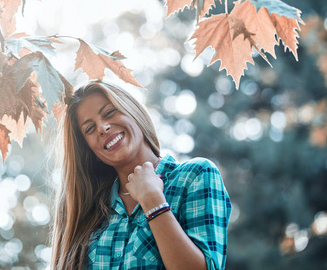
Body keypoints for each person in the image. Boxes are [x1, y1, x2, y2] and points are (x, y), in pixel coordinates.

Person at [51, 80, 231, 270]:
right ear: (88, 150)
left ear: (132, 110)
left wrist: (153, 202)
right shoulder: (88, 211)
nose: (102, 128)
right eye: (89, 129)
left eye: (109, 112)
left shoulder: (195, 175)